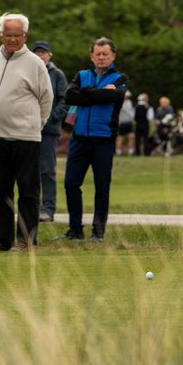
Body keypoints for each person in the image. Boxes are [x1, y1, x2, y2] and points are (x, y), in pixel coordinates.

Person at [0, 14, 52, 251]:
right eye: (8, 35)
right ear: (1, 35)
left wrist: (34, 125)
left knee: (28, 191)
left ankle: (26, 241)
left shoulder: (35, 63)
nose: (12, 39)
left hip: (25, 138)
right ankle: (2, 240)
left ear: (25, 36)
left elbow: (46, 99)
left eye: (17, 36)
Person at [61, 37, 128, 242]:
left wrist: (88, 93)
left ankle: (97, 232)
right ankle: (75, 230)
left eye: (105, 54)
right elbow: (69, 96)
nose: (101, 57)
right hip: (79, 138)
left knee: (102, 187)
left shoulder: (120, 78)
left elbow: (112, 97)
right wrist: (97, 94)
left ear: (113, 56)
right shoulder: (82, 75)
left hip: (104, 140)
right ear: (91, 56)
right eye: (97, 54)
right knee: (71, 183)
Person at [31, 41, 69, 222]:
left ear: (49, 55)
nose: (40, 56)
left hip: (49, 130)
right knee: (30, 171)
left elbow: (65, 100)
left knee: (47, 170)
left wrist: (52, 116)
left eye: (43, 53)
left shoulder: (57, 75)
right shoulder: (28, 72)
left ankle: (48, 208)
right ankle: (32, 207)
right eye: (37, 52)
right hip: (28, 129)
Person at [117, 90, 135, 155]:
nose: (127, 97)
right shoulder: (119, 102)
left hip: (129, 122)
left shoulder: (129, 102)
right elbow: (117, 113)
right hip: (122, 123)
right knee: (120, 137)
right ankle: (118, 151)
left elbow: (131, 112)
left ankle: (130, 151)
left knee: (131, 136)